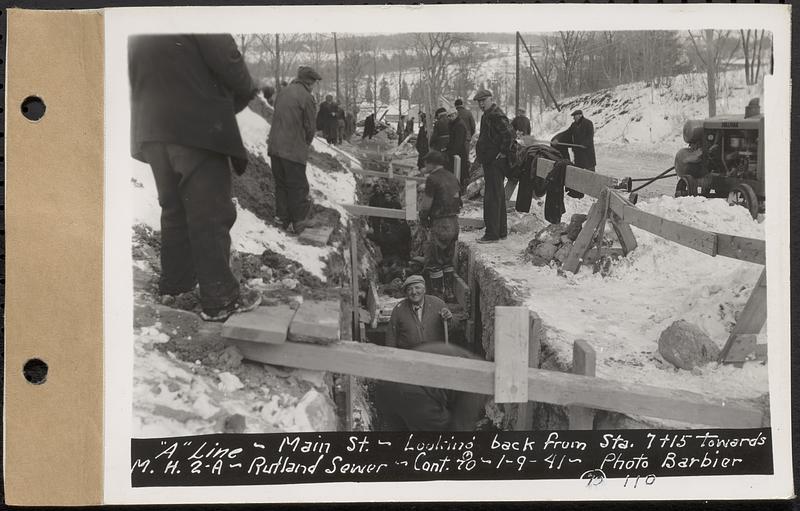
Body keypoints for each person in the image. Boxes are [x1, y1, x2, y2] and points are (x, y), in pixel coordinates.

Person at [129, 34, 261, 322]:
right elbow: (227, 57)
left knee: (174, 209)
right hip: (195, 125)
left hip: (151, 128)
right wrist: (245, 90)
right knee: (209, 212)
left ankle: (176, 289)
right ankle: (220, 298)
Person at [373, 342, 486, 431]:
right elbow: (461, 427)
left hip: (386, 385)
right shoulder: (480, 382)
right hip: (413, 392)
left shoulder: (468, 360)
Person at [267, 66, 322, 233]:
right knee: (297, 185)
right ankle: (300, 221)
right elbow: (310, 128)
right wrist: (305, 143)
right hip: (293, 149)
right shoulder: (307, 97)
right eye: (314, 83)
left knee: (281, 184)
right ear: (310, 82)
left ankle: (281, 219)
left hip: (275, 147)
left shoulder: (283, 92)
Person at [419, 150, 463, 301]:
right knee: (447, 259)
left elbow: (426, 204)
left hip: (440, 223)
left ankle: (438, 294)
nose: (425, 166)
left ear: (431, 163)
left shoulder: (432, 179)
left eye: (426, 163)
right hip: (454, 222)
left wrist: (423, 217)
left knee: (434, 260)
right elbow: (459, 200)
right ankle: (449, 292)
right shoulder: (452, 177)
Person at [473, 89, 515, 243]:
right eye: (479, 102)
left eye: (484, 100)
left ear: (491, 99)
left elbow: (510, 135)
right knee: (497, 196)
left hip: (495, 163)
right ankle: (501, 231)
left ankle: (492, 234)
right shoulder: (488, 115)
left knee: (492, 198)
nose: (481, 104)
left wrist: (502, 153)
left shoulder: (496, 115)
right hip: (490, 161)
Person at [386, 274, 453, 350]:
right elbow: (391, 337)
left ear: (424, 290)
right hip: (409, 356)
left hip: (434, 355)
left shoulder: (438, 304)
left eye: (417, 288)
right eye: (409, 289)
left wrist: (449, 318)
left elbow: (452, 328)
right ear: (406, 293)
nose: (414, 292)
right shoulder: (399, 309)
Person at [446, 111, 470, 190]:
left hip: (459, 152)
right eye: (448, 116)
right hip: (455, 151)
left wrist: (452, 152)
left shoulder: (459, 125)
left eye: (451, 116)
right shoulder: (454, 124)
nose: (450, 118)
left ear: (456, 115)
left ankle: (460, 188)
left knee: (460, 171)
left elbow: (458, 142)